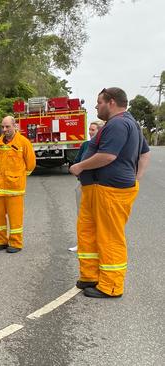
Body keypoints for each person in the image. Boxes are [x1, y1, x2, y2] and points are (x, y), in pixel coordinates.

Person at [69, 87, 150, 298]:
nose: (96, 106)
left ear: (111, 102)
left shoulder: (119, 124)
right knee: (88, 232)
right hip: (97, 189)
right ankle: (90, 276)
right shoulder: (126, 123)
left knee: (109, 237)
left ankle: (111, 286)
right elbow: (144, 154)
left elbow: (107, 156)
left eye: (99, 102)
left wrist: (80, 167)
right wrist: (136, 177)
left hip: (110, 191)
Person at [0, 116, 36, 253]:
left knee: (15, 218)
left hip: (14, 189)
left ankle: (15, 243)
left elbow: (31, 164)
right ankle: (0, 241)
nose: (4, 129)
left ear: (15, 126)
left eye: (7, 126)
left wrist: (19, 176)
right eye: (2, 127)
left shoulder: (23, 142)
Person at [68, 121, 104, 252]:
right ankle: (82, 244)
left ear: (100, 131)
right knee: (82, 216)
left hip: (99, 186)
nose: (90, 132)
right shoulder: (85, 145)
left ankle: (100, 245)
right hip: (82, 184)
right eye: (89, 129)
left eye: (93, 130)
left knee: (99, 216)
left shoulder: (104, 146)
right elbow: (77, 162)